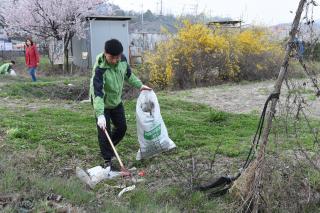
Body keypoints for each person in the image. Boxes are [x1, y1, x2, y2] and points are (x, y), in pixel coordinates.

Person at [90, 39, 151, 170]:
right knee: (103, 131)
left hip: (116, 101)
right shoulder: (100, 69)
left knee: (122, 128)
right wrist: (100, 114)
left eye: (117, 57)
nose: (115, 60)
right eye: (112, 57)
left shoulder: (122, 60)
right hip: (102, 103)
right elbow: (98, 93)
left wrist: (140, 85)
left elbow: (129, 75)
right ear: (105, 53)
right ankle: (107, 159)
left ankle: (108, 148)